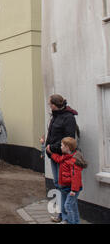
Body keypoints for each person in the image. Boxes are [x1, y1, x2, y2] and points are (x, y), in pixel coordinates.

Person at [45, 94, 78, 223]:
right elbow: (52, 134)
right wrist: (47, 146)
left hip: (63, 157)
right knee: (58, 185)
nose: (49, 106)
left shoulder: (69, 117)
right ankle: (60, 215)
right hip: (54, 155)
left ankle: (66, 217)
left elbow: (69, 139)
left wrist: (52, 148)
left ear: (56, 104)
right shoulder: (55, 115)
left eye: (50, 104)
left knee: (64, 186)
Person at [46, 137, 87, 224]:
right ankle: (76, 222)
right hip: (65, 187)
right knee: (73, 206)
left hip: (72, 189)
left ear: (67, 147)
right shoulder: (65, 157)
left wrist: (73, 190)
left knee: (67, 206)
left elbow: (76, 177)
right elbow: (58, 159)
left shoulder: (74, 161)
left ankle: (71, 222)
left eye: (62, 145)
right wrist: (51, 153)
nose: (60, 147)